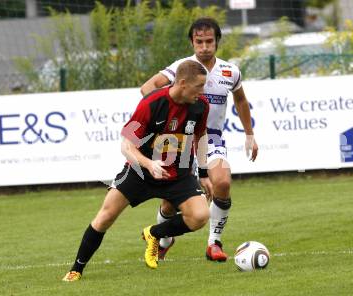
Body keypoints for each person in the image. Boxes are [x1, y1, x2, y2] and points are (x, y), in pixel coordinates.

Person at [63, 60, 213, 281]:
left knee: (200, 215)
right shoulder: (151, 103)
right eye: (199, 86)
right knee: (105, 216)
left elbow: (201, 137)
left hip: (178, 173)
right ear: (182, 83)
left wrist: (204, 172)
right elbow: (126, 145)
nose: (203, 91)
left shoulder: (201, 105)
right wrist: (149, 164)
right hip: (140, 171)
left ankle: (154, 234)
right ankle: (76, 268)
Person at [140, 17, 258, 262]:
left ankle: (214, 243)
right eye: (199, 41)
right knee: (170, 203)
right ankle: (163, 239)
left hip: (210, 138)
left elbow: (241, 101)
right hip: (179, 141)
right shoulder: (181, 68)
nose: (204, 46)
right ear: (192, 42)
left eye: (209, 41)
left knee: (222, 183)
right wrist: (167, 109)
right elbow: (147, 88)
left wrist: (250, 135)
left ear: (217, 42)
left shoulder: (230, 71)